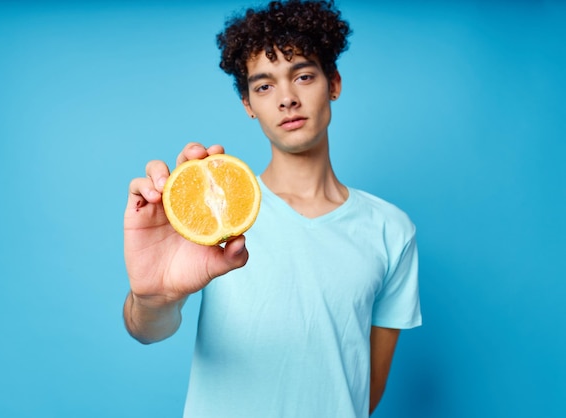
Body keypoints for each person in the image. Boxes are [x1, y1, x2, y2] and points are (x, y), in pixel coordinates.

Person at [123, 0, 421, 416]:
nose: (286, 99)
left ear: (333, 82)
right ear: (248, 103)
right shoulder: (214, 220)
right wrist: (153, 298)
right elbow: (147, 330)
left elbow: (362, 389)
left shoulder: (392, 230)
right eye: (264, 86)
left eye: (303, 76)